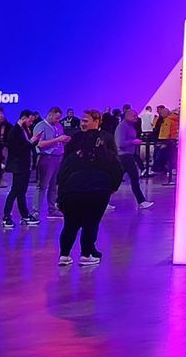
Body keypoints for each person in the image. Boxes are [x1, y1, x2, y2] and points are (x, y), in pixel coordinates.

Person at [56, 110, 120, 267]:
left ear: (97, 121)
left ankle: (68, 255)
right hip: (94, 188)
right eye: (82, 120)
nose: (83, 123)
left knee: (73, 223)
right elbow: (115, 165)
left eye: (86, 120)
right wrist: (112, 186)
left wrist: (61, 192)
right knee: (88, 223)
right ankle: (83, 255)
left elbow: (65, 168)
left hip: (82, 188)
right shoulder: (77, 140)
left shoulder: (104, 140)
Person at [2, 110, 38, 227]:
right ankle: (6, 216)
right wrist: (31, 141)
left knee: (22, 191)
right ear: (24, 118)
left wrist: (33, 142)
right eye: (30, 120)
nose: (31, 123)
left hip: (25, 165)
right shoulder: (14, 131)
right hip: (18, 166)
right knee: (15, 190)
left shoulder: (25, 130)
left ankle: (25, 215)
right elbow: (16, 149)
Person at [114, 108, 150, 205]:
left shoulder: (130, 126)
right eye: (134, 116)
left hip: (128, 155)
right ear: (127, 116)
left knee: (117, 180)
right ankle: (141, 201)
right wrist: (133, 142)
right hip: (124, 156)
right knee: (133, 178)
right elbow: (119, 143)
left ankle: (104, 201)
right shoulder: (122, 127)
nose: (136, 117)